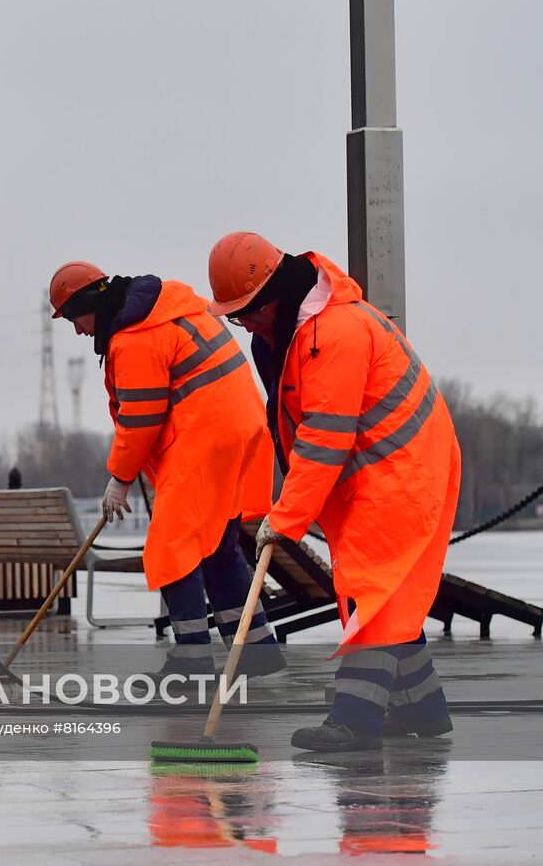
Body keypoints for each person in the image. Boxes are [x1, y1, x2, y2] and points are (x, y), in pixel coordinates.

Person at [206, 231, 460, 752]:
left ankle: (356, 720)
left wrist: (288, 515)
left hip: (401, 468)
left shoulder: (336, 331)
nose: (246, 323)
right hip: (374, 469)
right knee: (382, 587)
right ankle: (425, 708)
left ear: (276, 292)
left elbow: (325, 436)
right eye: (235, 315)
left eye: (249, 310)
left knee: (371, 589)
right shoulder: (289, 334)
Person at [48, 261, 283, 683]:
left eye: (73, 319)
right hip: (240, 432)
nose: (79, 331)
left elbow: (141, 417)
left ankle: (190, 661)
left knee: (172, 548)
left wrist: (120, 478)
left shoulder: (136, 337)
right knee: (216, 545)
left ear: (88, 305)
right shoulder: (171, 309)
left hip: (205, 440)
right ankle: (255, 650)